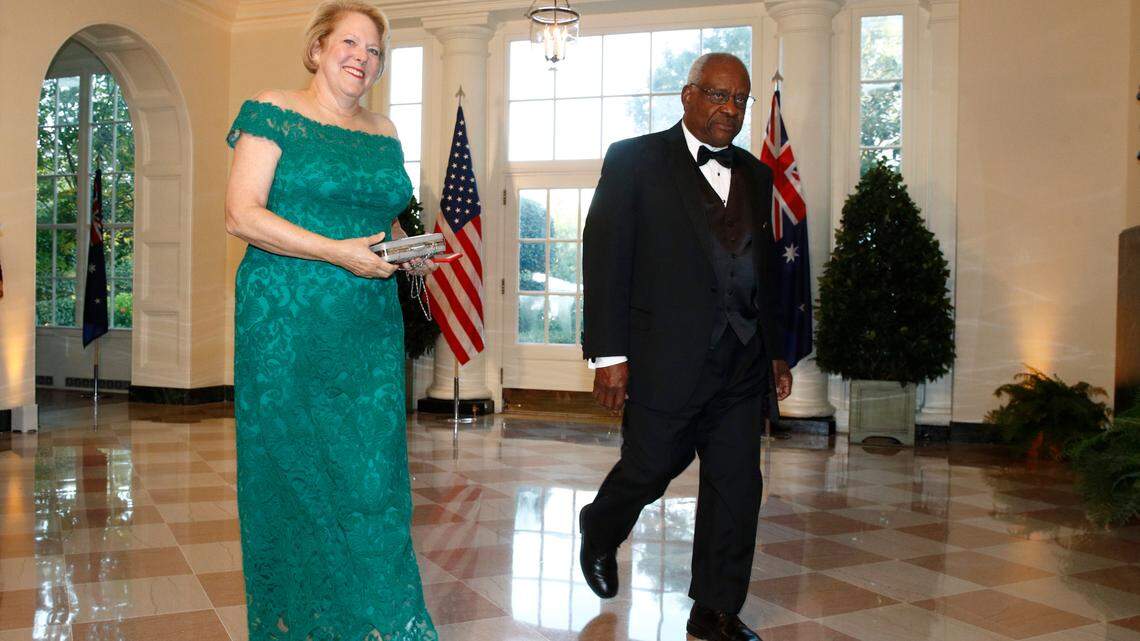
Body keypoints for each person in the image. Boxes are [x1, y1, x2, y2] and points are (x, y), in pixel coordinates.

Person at [224, 2, 436, 639]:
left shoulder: (386, 130)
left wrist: (411, 251)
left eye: (374, 51)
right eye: (350, 43)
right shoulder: (273, 109)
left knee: (371, 475)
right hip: (283, 321)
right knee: (293, 472)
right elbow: (241, 215)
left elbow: (389, 218)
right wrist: (336, 251)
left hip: (367, 322)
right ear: (317, 48)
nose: (362, 59)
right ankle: (302, 621)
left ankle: (378, 618)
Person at [579, 53, 794, 641]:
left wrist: (775, 350)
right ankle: (600, 526)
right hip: (664, 358)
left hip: (742, 362)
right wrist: (608, 355)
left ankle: (714, 609)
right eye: (718, 95)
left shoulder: (756, 173)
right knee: (649, 470)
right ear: (688, 96)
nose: (729, 109)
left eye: (740, 100)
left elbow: (763, 269)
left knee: (736, 487)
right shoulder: (634, 161)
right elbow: (605, 259)